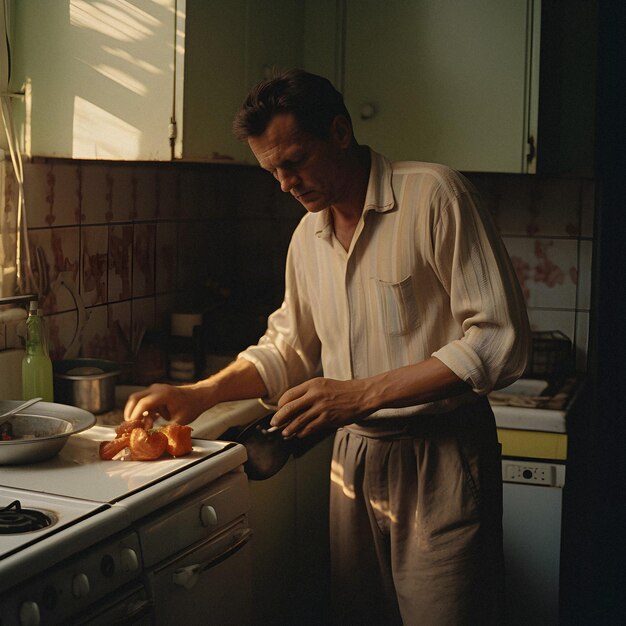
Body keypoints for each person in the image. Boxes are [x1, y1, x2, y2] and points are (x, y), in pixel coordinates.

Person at [125, 69, 530, 625]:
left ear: (340, 131)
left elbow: (498, 338)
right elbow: (288, 349)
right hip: (355, 458)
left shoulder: (433, 195)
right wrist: (199, 394)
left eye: (294, 161)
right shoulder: (308, 235)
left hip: (441, 454)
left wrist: (360, 394)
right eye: (271, 170)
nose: (285, 183)